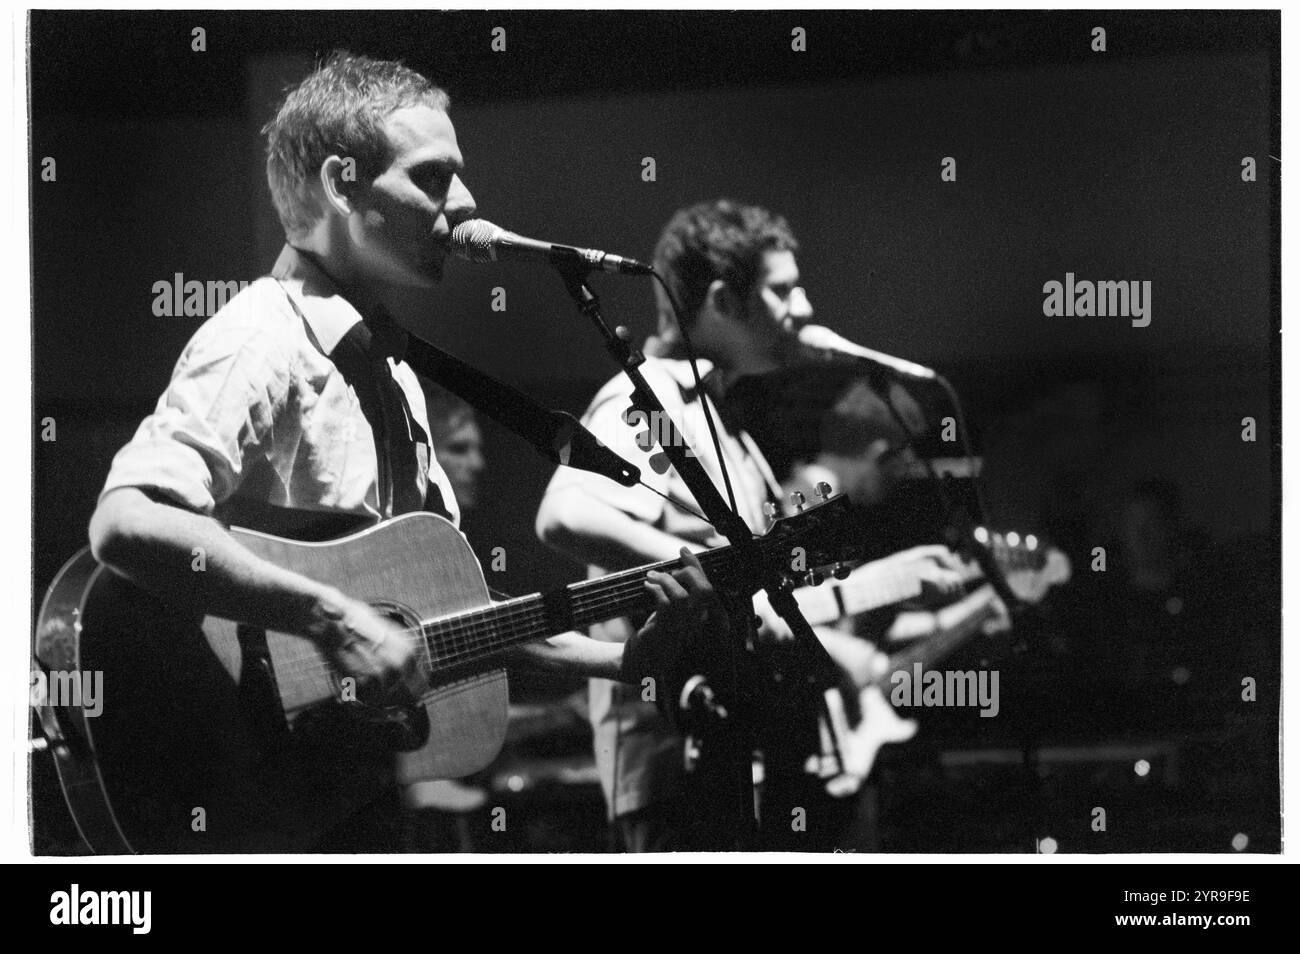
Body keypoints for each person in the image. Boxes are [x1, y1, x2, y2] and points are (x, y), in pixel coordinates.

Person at [85, 51, 716, 850]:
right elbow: (126, 521)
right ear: (343, 183)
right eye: (433, 176)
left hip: (350, 798)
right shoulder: (261, 340)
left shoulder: (393, 375)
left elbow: (447, 622)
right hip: (252, 787)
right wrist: (331, 616)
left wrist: (626, 664)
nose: (467, 200)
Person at [536, 199, 956, 850]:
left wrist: (888, 581)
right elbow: (565, 513)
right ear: (724, 302)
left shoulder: (721, 419)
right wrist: (709, 572)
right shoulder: (650, 397)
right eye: (783, 289)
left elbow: (758, 599)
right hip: (680, 769)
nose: (806, 308)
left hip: (737, 755)